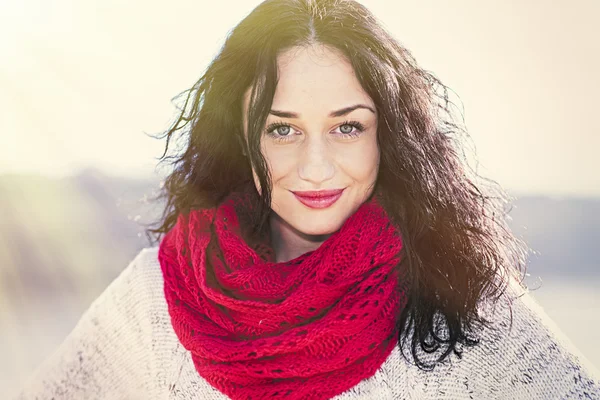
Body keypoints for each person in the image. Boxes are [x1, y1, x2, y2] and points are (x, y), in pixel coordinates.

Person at [14, 0, 600, 399]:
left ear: (389, 135)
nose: (315, 168)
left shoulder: (462, 293)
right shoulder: (154, 298)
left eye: (347, 127)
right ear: (240, 139)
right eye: (281, 129)